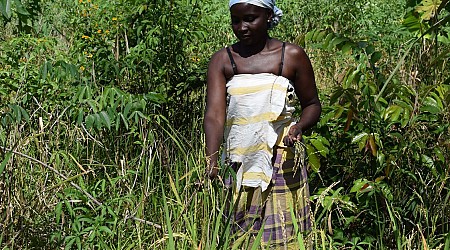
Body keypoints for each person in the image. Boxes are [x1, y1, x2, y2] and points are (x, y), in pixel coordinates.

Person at [204, 0, 321, 248]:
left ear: (268, 16)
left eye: (250, 19)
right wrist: (211, 160)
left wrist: (298, 127)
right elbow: (214, 115)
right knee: (240, 237)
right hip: (239, 163)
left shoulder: (290, 56)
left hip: (281, 160)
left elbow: (312, 104)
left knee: (285, 235)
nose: (242, 27)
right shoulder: (223, 60)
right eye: (236, 20)